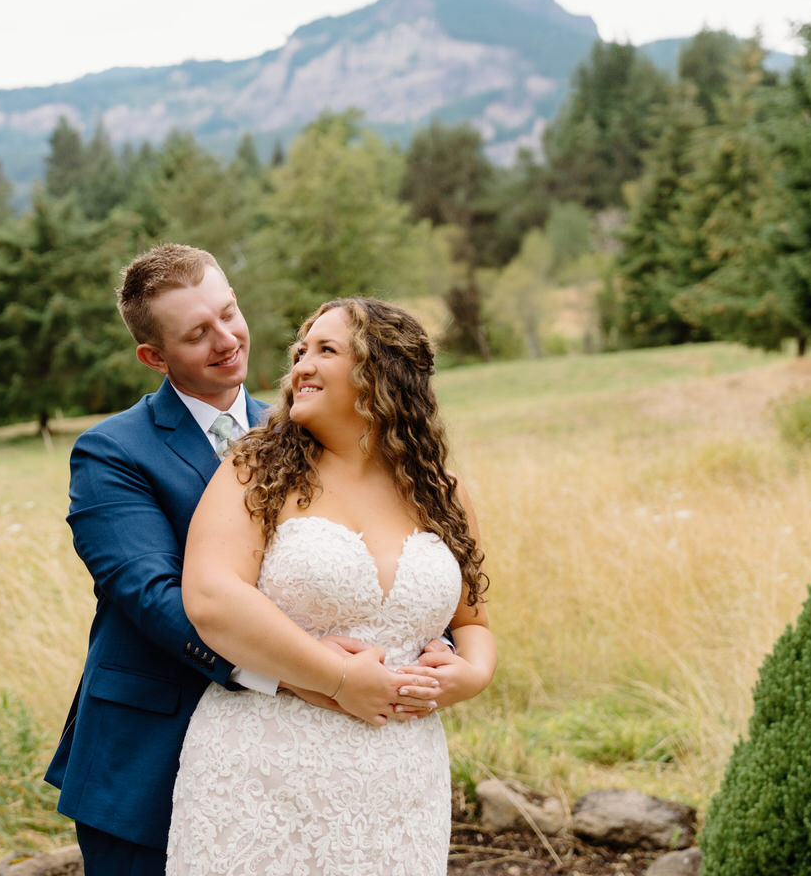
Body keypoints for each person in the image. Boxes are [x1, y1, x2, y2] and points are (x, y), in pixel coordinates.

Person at [44, 248, 440, 876]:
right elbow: (153, 597)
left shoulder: (303, 430)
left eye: (229, 313)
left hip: (293, 765)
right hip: (148, 755)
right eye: (197, 334)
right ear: (154, 356)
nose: (227, 339)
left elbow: (365, 545)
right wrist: (300, 677)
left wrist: (421, 637)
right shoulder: (112, 453)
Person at [168, 296, 497, 876]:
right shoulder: (255, 470)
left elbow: (472, 623)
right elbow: (211, 598)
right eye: (300, 352)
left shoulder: (441, 491)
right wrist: (341, 679)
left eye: (325, 350)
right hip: (266, 768)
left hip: (401, 774)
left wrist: (470, 675)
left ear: (381, 376)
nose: (300, 367)